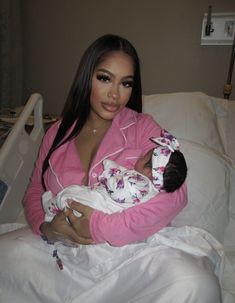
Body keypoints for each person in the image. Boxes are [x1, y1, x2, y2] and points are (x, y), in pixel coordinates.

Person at [0, 34, 222, 302]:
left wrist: (99, 226)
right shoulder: (57, 132)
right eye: (105, 78)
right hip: (62, 251)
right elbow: (36, 188)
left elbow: (176, 195)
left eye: (125, 83)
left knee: (194, 283)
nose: (115, 94)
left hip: (125, 256)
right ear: (87, 77)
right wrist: (46, 228)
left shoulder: (144, 129)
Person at [42, 130, 188, 222]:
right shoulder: (147, 186)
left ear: (149, 171)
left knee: (70, 194)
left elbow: (119, 192)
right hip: (100, 203)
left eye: (145, 156)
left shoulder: (142, 183)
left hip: (100, 205)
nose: (141, 156)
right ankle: (55, 211)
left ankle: (51, 209)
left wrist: (110, 169)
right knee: (75, 193)